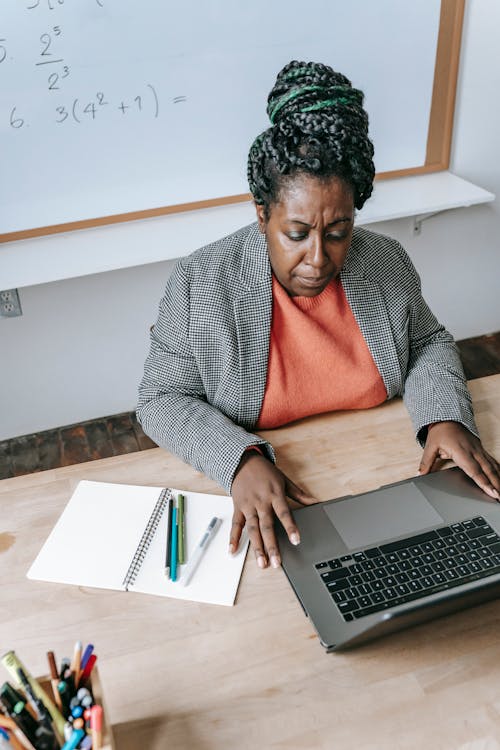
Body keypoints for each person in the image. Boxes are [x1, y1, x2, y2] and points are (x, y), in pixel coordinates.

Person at [137, 60, 500, 571]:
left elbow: (428, 343)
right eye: (297, 233)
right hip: (281, 510)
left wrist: (443, 417)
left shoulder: (384, 262)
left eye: (337, 232)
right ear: (262, 214)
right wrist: (239, 461)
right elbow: (160, 398)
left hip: (384, 478)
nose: (318, 258)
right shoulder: (201, 283)